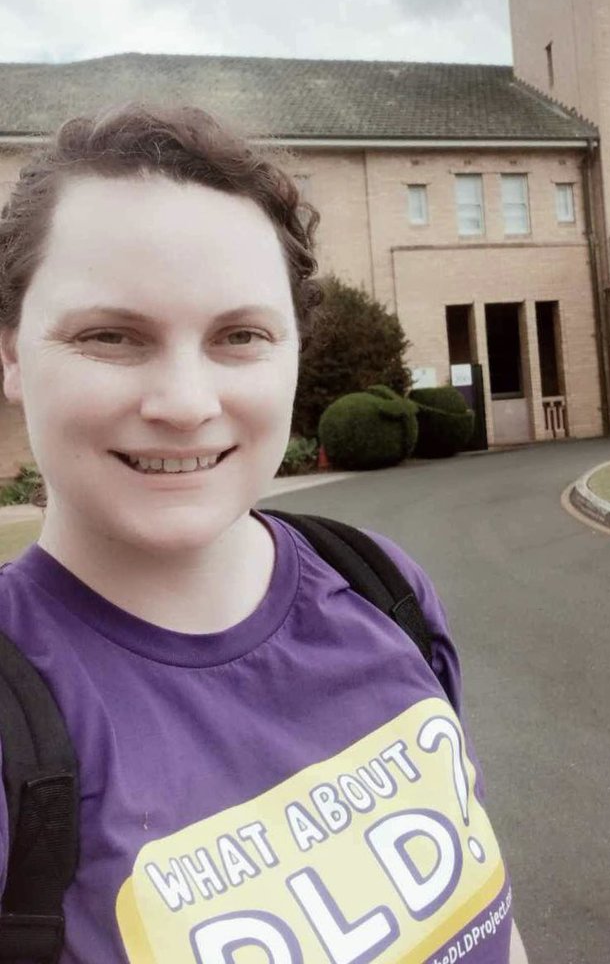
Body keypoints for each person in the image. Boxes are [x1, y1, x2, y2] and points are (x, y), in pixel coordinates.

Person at [0, 105, 528, 964]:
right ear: (12, 353)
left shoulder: (378, 585)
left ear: (292, 350)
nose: (185, 402)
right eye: (110, 336)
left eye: (239, 336)